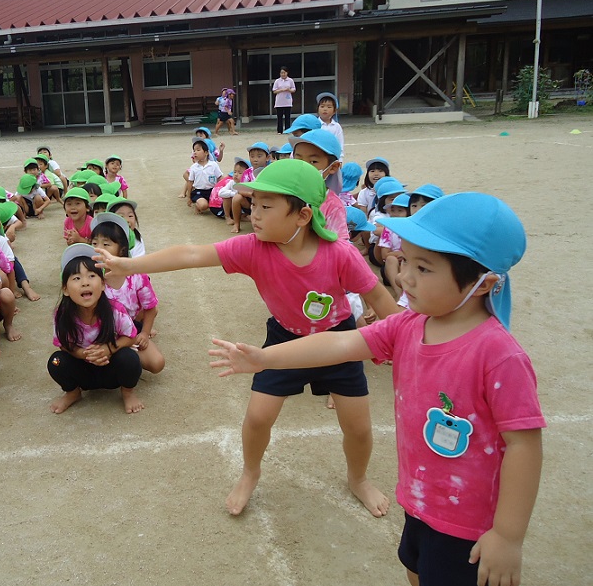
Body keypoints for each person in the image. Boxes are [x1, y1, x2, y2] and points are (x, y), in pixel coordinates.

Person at [210, 192, 544, 586]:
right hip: (420, 502)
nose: (404, 279)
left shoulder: (498, 355)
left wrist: (507, 536)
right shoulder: (409, 326)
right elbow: (336, 345)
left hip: (472, 527)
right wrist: (264, 357)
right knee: (419, 577)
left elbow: (524, 445)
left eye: (423, 268)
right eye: (405, 262)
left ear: (483, 284)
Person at [96, 160, 400, 517]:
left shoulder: (340, 254)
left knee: (358, 427)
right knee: (257, 418)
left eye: (266, 206)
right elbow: (193, 254)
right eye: (253, 203)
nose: (254, 213)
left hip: (338, 342)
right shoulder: (254, 248)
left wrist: (405, 337)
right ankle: (250, 473)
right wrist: (128, 265)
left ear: (302, 216)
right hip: (284, 339)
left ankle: (358, 478)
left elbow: (379, 298)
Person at [47, 244, 143, 414]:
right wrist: (84, 354)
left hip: (110, 367)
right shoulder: (61, 315)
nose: (85, 283)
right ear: (65, 289)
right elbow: (63, 345)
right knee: (56, 361)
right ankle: (73, 392)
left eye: (91, 276)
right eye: (76, 278)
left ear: (103, 284)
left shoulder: (114, 310)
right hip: (83, 370)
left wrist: (107, 349)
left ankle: (127, 392)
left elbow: (131, 337)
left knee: (130, 358)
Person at [90, 213, 164, 374]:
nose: (99, 248)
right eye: (94, 243)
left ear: (122, 248)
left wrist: (144, 332)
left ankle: (121, 357)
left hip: (130, 330)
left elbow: (151, 308)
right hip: (100, 332)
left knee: (157, 363)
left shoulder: (136, 275)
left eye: (106, 244)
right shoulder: (91, 275)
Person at [289, 130, 348, 241]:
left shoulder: (333, 206)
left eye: (313, 161)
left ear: (333, 167)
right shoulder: (285, 193)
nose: (304, 166)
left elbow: (340, 245)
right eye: (299, 159)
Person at [228, 142, 272, 233]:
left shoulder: (270, 171)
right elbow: (241, 189)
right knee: (237, 198)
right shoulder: (248, 172)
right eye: (252, 156)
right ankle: (236, 224)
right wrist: (251, 194)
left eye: (259, 156)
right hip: (250, 201)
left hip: (267, 201)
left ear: (268, 157)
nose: (255, 159)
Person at [186, 139, 223, 215]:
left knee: (220, 204)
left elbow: (220, 177)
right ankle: (198, 204)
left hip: (212, 191)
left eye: (198, 150)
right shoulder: (194, 167)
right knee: (204, 206)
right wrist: (189, 197)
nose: (195, 152)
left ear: (206, 153)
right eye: (194, 150)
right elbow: (190, 182)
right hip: (199, 192)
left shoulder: (213, 165)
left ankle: (208, 203)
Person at [272, 67, 296, 134]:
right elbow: (274, 91)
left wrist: (289, 90)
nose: (283, 74)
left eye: (284, 73)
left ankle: (287, 130)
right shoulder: (277, 81)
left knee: (287, 117)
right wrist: (281, 90)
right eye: (281, 73)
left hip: (287, 101)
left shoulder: (290, 80)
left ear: (287, 73)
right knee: (279, 117)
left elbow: (293, 89)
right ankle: (279, 130)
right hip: (279, 102)